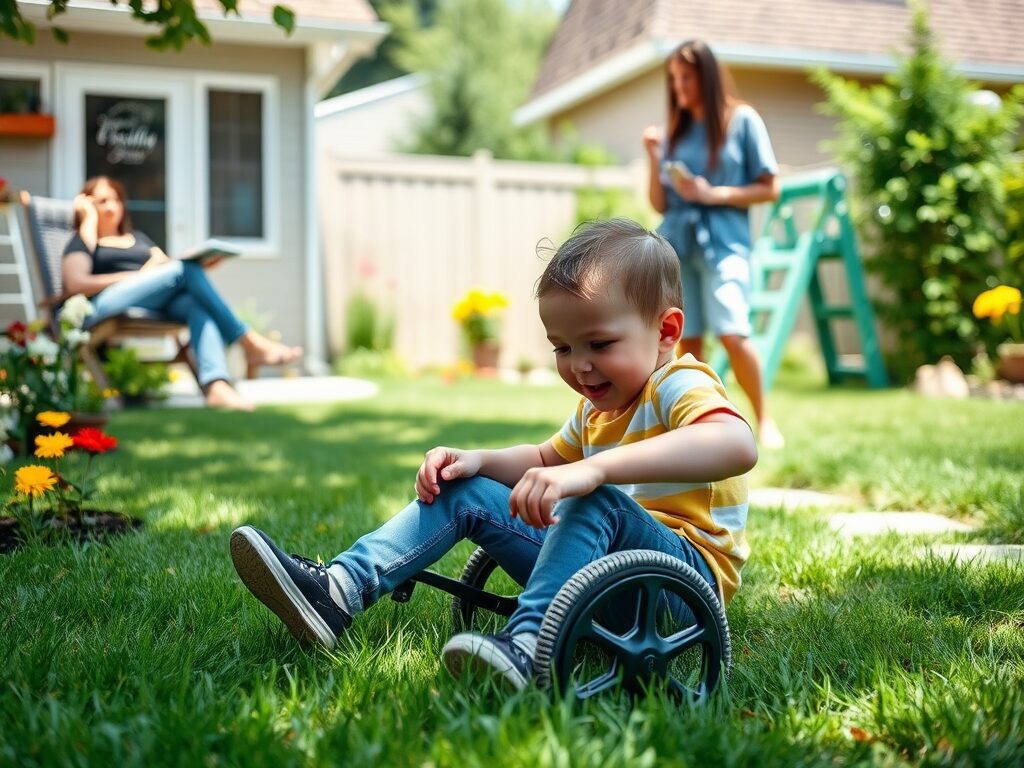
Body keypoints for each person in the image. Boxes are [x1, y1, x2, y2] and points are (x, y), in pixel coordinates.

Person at [229, 219, 757, 690]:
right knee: (464, 488)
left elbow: (735, 444)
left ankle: (528, 648)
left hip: (677, 590)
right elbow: (546, 459)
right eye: (562, 348)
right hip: (606, 575)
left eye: (599, 344)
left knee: (592, 496)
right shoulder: (595, 409)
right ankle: (339, 590)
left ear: (665, 332)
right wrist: (477, 459)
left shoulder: (678, 382)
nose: (580, 367)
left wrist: (592, 469)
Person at [642, 40, 785, 449]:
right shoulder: (675, 133)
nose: (679, 86)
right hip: (679, 247)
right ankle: (699, 425)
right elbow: (659, 203)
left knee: (733, 334)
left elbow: (769, 188)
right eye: (673, 79)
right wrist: (653, 156)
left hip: (726, 246)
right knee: (688, 341)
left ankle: (765, 420)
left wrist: (712, 194)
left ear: (705, 76)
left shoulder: (742, 120)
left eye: (686, 77)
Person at [62, 175, 302, 411]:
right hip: (104, 305)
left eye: (115, 199)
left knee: (195, 302)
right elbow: (76, 283)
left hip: (149, 302)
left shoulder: (138, 239)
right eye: (101, 201)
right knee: (185, 269)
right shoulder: (84, 241)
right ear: (87, 205)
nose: (111, 206)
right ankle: (249, 342)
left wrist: (199, 268)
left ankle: (216, 385)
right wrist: (88, 221)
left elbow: (168, 270)